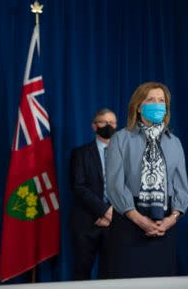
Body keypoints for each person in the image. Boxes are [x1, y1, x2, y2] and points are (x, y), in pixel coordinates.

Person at [103, 82, 188, 278]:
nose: (157, 104)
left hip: (164, 224)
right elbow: (115, 185)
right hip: (129, 222)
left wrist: (171, 219)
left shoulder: (174, 142)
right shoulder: (121, 138)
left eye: (161, 100)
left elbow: (181, 187)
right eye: (150, 100)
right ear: (139, 107)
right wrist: (138, 219)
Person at [69, 108, 117, 280]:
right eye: (104, 122)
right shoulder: (80, 154)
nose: (109, 126)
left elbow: (128, 186)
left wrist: (112, 213)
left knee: (112, 274)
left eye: (112, 123)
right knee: (82, 272)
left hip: (115, 223)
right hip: (86, 222)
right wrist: (105, 211)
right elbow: (79, 187)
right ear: (94, 126)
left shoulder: (124, 154)